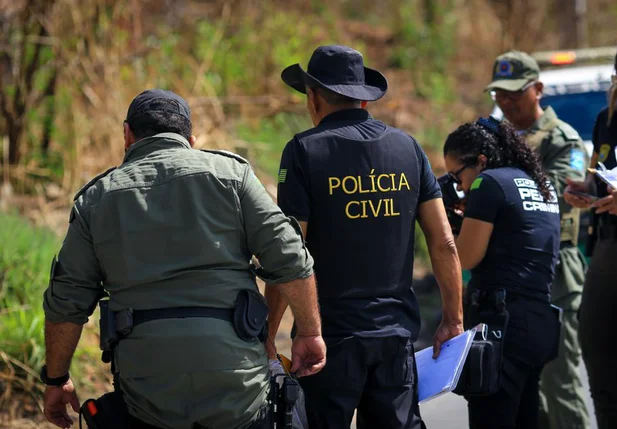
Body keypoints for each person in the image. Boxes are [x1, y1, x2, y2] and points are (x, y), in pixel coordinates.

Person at [41, 89, 326, 429]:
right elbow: (291, 258)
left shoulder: (96, 200)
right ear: (190, 139)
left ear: (127, 135)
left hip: (148, 394)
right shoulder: (233, 177)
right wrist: (309, 332)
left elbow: (66, 303)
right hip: (238, 390)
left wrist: (56, 380)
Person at [265, 45, 464, 429]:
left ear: (313, 95)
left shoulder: (303, 151)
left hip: (329, 341)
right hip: (396, 338)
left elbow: (289, 252)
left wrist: (268, 336)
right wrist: (453, 320)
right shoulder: (407, 148)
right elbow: (444, 243)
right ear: (361, 96)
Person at [486, 50, 590, 429]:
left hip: (554, 273)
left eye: (514, 93)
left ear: (538, 90)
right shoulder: (496, 139)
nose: (506, 102)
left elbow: (562, 190)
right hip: (509, 276)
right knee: (525, 391)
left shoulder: (564, 139)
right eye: (500, 94)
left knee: (559, 383)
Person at [444, 117, 561, 429]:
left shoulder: (488, 183)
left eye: (458, 176)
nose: (460, 187)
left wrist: (445, 222)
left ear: (480, 161)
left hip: (503, 325)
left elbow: (466, 258)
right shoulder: (540, 182)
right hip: (538, 321)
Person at [564, 50, 617, 429]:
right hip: (607, 247)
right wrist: (585, 189)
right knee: (598, 352)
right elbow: (601, 174)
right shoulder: (606, 120)